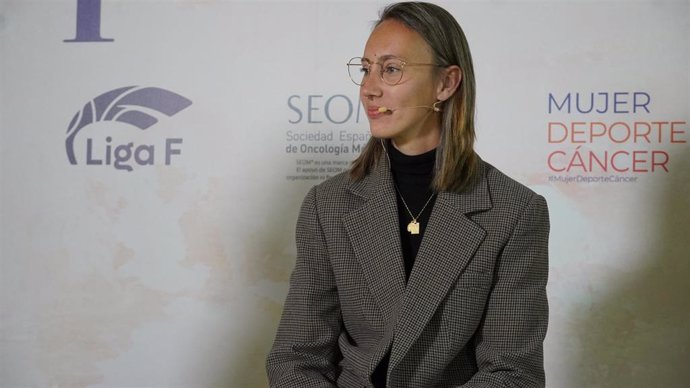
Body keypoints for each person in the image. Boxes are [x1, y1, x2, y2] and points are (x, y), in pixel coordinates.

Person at [266, 2, 549, 387]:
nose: (369, 88)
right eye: (366, 69)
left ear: (446, 84)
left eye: (391, 69)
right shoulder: (326, 205)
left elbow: (513, 373)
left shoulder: (515, 211)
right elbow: (295, 358)